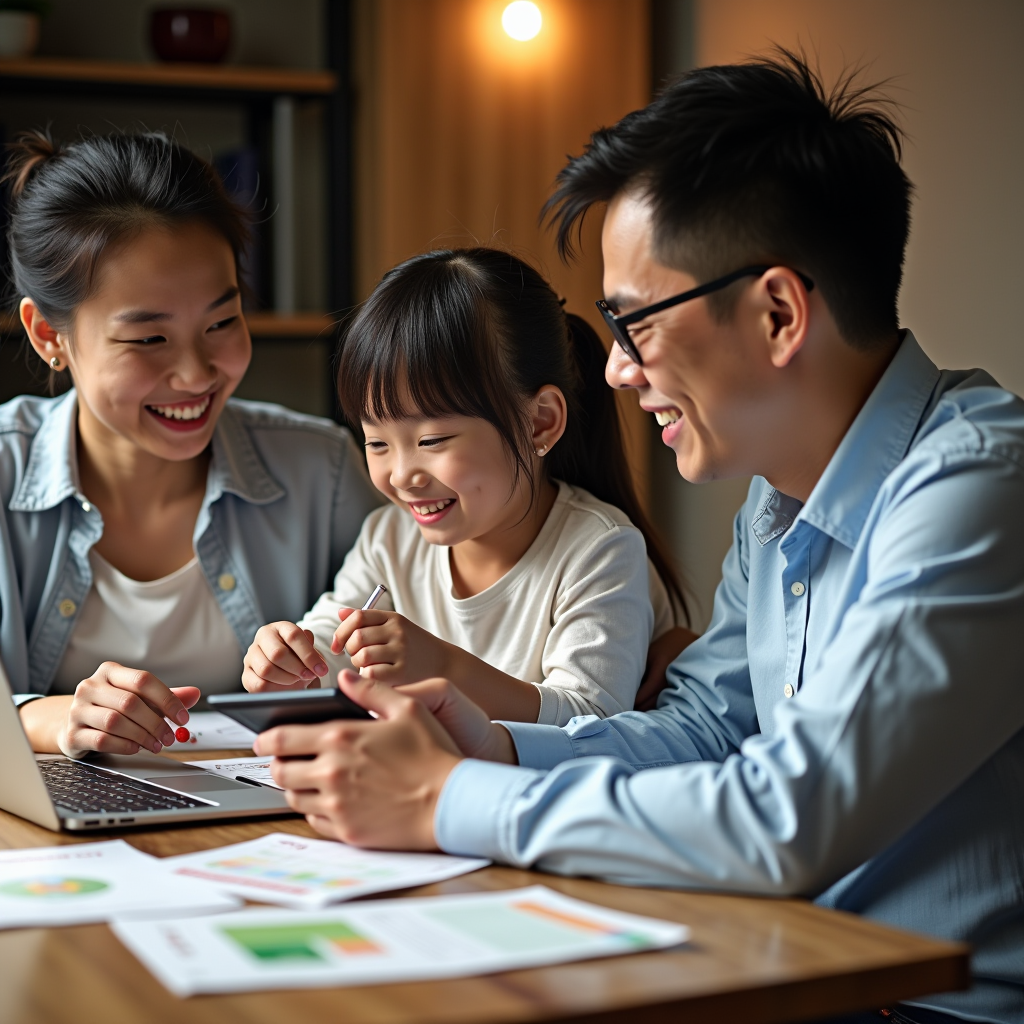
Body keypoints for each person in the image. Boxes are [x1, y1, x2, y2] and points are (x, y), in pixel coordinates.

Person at [253, 53, 1024, 1024]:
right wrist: (497, 746)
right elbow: (707, 731)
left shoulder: (979, 485)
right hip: (787, 963)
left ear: (778, 312)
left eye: (634, 325)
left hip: (929, 1005)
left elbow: (790, 817)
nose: (614, 372)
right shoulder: (776, 501)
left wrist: (448, 800)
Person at [0, 130, 381, 759]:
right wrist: (51, 718)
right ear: (49, 335)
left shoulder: (325, 472)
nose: (197, 374)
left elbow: (410, 666)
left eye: (222, 322)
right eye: (149, 340)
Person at [242, 248, 694, 723]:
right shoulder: (388, 540)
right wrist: (290, 659)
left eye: (432, 439)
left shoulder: (599, 550)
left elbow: (592, 719)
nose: (401, 476)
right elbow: (332, 647)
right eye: (376, 443)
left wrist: (442, 667)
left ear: (540, 422)